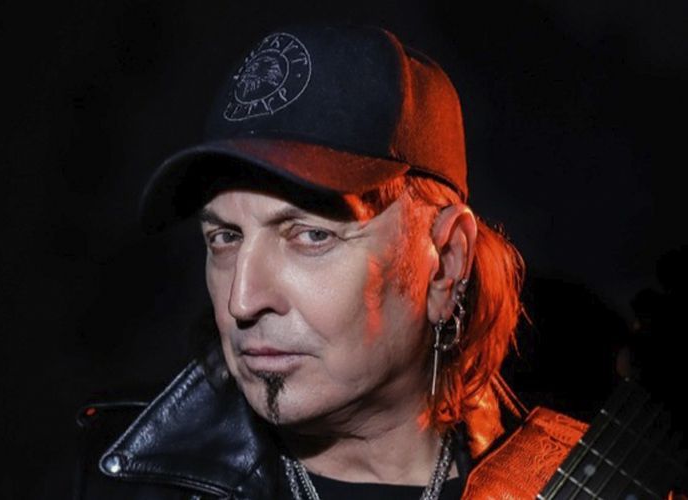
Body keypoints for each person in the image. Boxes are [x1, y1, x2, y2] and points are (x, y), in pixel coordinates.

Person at [66, 24, 589, 500]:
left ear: (446, 264)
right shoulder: (117, 480)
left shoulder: (566, 482)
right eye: (225, 237)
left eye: (311, 235)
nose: (241, 301)